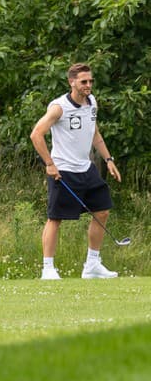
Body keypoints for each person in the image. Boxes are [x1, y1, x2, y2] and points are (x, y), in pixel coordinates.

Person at [30, 63, 122, 280]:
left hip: (86, 169)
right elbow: (36, 134)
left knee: (102, 211)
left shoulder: (91, 103)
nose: (88, 85)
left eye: (90, 81)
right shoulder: (59, 107)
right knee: (55, 218)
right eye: (83, 81)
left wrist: (108, 158)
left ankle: (92, 265)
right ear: (72, 82)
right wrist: (50, 164)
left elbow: (94, 133)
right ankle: (48, 269)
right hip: (63, 171)